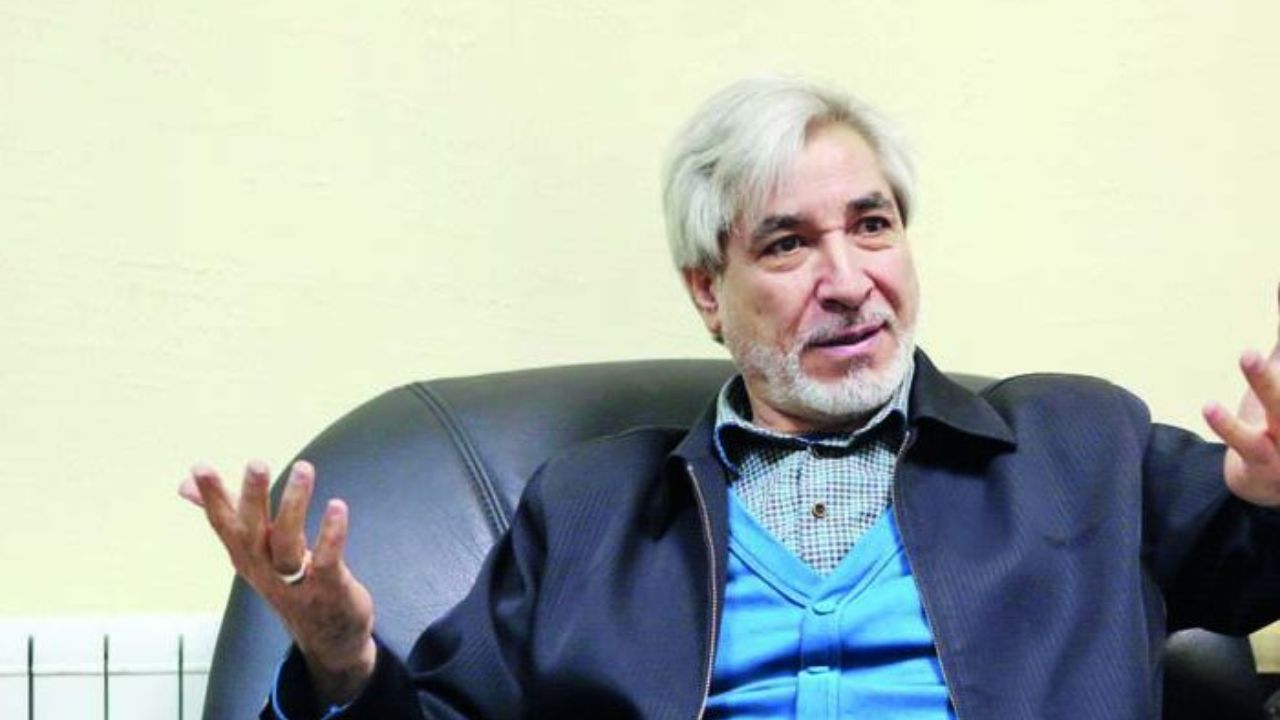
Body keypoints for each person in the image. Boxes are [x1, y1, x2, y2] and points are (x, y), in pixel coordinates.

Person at [181, 76, 1280, 719]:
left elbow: (1254, 552)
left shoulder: (1081, 444)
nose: (847, 279)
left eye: (872, 225)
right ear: (708, 290)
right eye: (787, 243)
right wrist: (341, 660)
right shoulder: (588, 510)